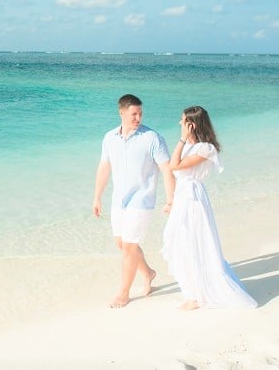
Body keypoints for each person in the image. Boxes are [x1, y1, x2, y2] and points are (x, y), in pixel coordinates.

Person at [161, 105, 257, 310]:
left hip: (193, 199)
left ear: (191, 124)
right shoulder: (189, 146)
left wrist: (181, 138)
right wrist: (170, 201)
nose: (179, 123)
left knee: (193, 243)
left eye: (183, 121)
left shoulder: (206, 148)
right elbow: (174, 168)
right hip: (182, 197)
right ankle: (191, 291)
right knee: (178, 242)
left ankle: (197, 295)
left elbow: (174, 166)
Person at [93, 94, 175, 308]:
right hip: (119, 200)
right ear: (121, 113)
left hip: (142, 199)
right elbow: (104, 168)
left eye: (140, 113)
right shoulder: (109, 138)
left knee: (129, 246)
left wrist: (170, 199)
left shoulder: (152, 138)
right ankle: (148, 273)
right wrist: (97, 197)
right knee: (121, 244)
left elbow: (166, 169)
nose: (138, 118)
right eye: (134, 114)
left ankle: (124, 293)